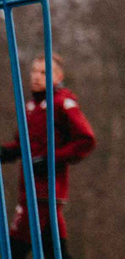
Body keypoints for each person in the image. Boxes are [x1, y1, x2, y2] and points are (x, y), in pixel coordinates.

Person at [0, 55, 97, 259]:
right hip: (30, 191)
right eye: (34, 71)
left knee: (11, 251)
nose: (36, 77)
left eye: (44, 73)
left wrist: (50, 160)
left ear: (58, 76)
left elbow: (86, 139)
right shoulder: (31, 107)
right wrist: (7, 152)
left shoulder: (62, 103)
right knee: (55, 253)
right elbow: (26, 145)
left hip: (44, 193)